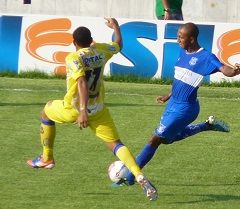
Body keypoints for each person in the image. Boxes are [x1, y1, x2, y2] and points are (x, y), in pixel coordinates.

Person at [26, 18, 158, 201]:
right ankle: (139, 175)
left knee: (46, 112)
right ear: (91, 40)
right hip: (99, 109)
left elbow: (81, 82)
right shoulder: (101, 50)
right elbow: (119, 44)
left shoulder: (73, 57)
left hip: (74, 108)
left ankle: (47, 157)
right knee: (116, 144)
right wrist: (116, 27)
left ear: (74, 43)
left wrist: (81, 111)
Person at [117, 22, 240, 186]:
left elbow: (225, 69)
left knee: (154, 139)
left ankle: (130, 177)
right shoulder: (182, 52)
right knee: (166, 140)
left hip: (186, 108)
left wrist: (235, 70)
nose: (178, 40)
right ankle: (206, 126)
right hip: (173, 105)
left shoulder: (206, 57)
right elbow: (181, 78)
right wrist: (169, 95)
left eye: (180, 37)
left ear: (191, 39)